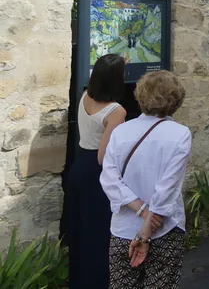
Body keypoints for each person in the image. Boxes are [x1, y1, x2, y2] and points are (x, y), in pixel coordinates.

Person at [100, 71, 191, 288]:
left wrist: (140, 209)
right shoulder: (180, 134)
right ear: (176, 99)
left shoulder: (121, 132)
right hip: (164, 230)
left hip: (123, 229)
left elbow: (109, 180)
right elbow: (167, 188)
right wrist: (147, 229)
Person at [66, 54, 127, 289]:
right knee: (99, 233)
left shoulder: (84, 96)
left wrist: (117, 63)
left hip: (78, 166)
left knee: (79, 230)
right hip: (95, 173)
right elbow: (104, 156)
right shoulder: (116, 111)